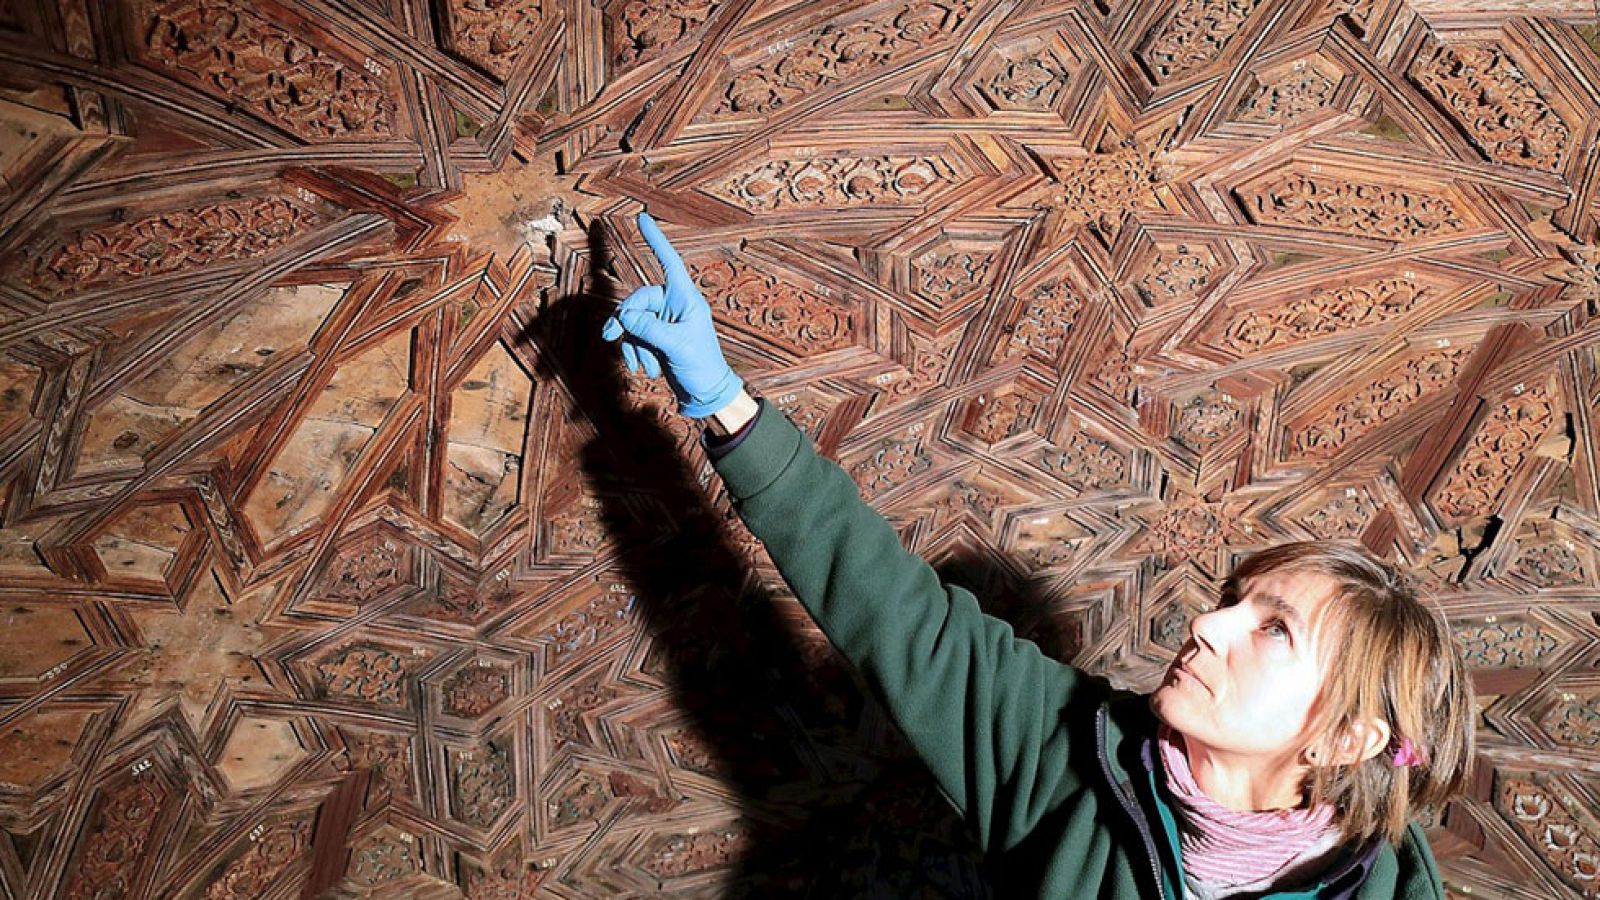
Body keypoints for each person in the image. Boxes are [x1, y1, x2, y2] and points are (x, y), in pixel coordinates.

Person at [601, 211, 1475, 899]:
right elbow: (894, 611)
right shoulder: (1068, 754)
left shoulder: (1387, 890)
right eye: (1234, 599)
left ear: (1348, 736)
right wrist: (723, 403)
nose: (1208, 625)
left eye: (1275, 630)